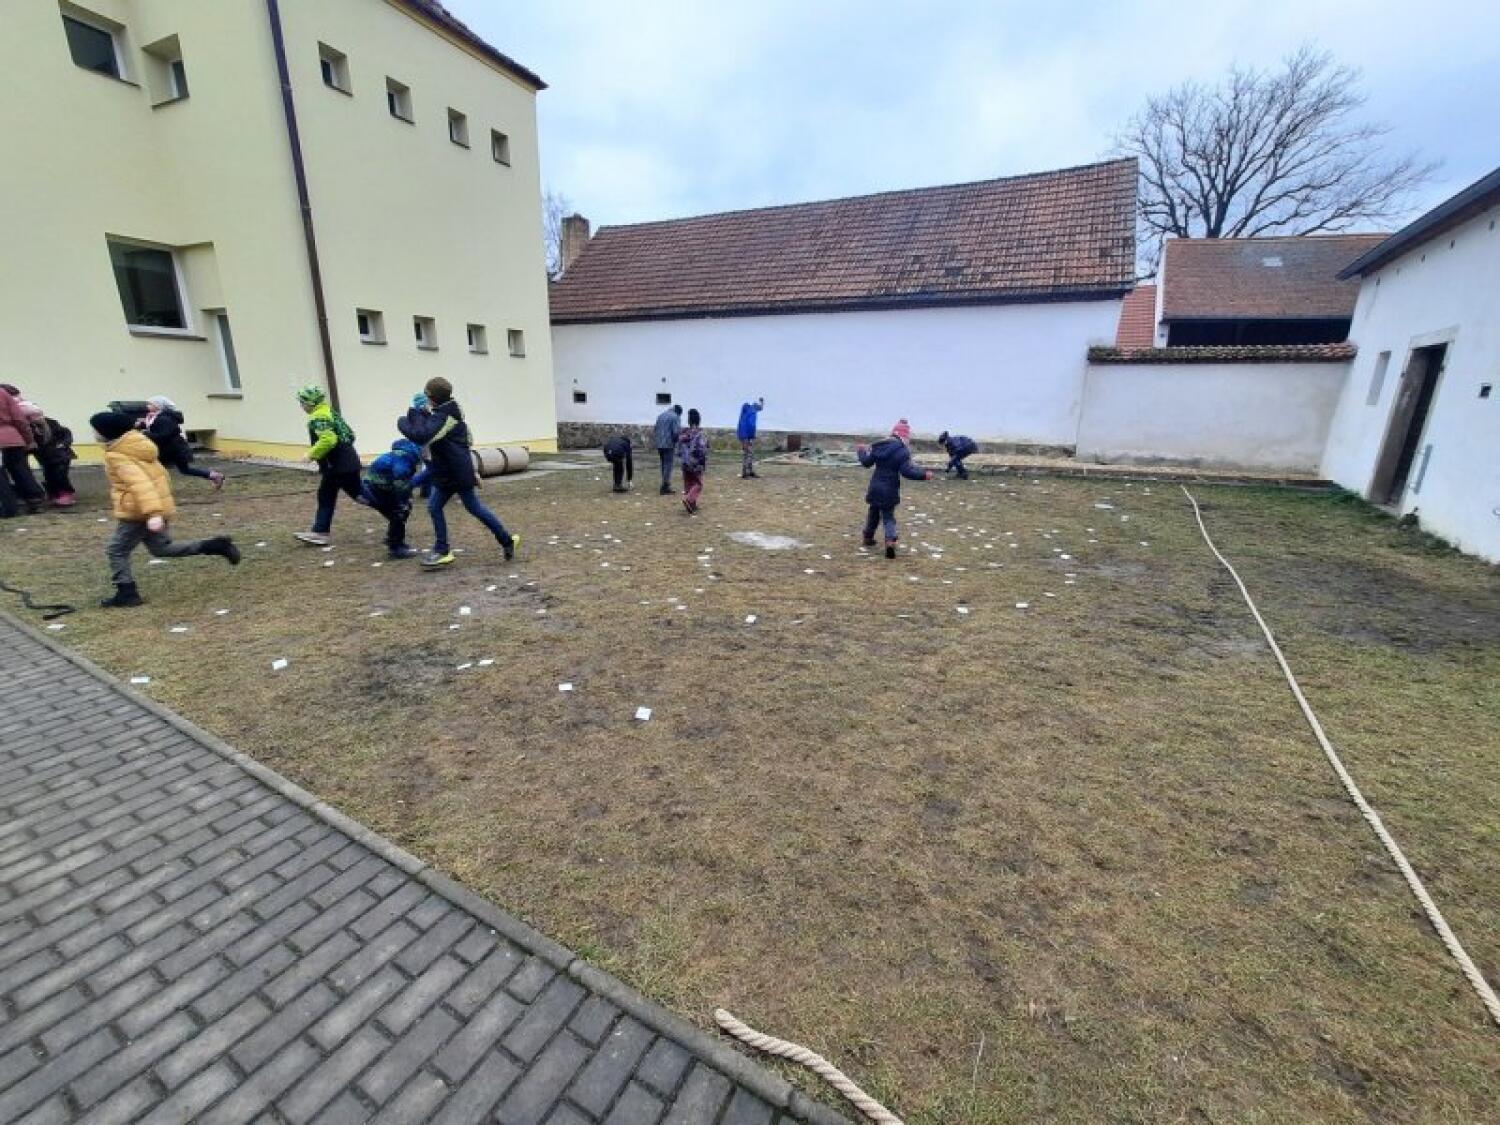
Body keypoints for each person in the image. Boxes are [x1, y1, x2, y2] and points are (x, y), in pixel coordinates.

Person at [89, 411, 239, 608]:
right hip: (154, 508)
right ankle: (215, 545)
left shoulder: (117, 455)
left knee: (116, 550)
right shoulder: (137, 445)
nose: (93, 433)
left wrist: (153, 514)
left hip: (140, 512)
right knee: (161, 549)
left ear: (107, 432)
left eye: (95, 429)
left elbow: (140, 484)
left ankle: (127, 593)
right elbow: (161, 478)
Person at [398, 377, 518, 568]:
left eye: (427, 395)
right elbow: (463, 438)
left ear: (432, 396)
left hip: (453, 473)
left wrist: (403, 421)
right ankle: (504, 541)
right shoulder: (448, 413)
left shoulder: (445, 417)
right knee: (443, 507)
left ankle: (444, 550)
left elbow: (422, 435)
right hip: (451, 471)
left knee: (463, 508)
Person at [294, 385, 362, 547]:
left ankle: (395, 511)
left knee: (361, 495)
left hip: (338, 467)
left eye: (302, 402)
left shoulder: (319, 416)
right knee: (327, 495)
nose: (301, 406)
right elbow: (350, 434)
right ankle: (320, 532)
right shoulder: (328, 411)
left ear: (311, 402)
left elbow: (329, 439)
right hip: (343, 464)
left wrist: (310, 454)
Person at [857, 419, 933, 559]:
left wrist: (861, 451)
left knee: (873, 513)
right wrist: (924, 475)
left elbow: (866, 463)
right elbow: (907, 472)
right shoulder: (902, 451)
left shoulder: (879, 446)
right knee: (888, 516)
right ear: (904, 436)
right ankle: (890, 541)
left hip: (875, 486)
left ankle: (868, 537)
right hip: (889, 488)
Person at [358, 438, 428, 559]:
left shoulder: (402, 454)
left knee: (400, 511)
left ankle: (394, 539)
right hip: (376, 489)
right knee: (399, 511)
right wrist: (426, 474)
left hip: (376, 487)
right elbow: (402, 485)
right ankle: (396, 548)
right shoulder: (404, 459)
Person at [140, 396, 225, 490]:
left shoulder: (164, 419)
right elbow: (155, 426)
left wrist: (146, 434)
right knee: (180, 469)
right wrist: (142, 425)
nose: (147, 406)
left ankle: (214, 475)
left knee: (182, 469)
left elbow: (163, 435)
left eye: (150, 404)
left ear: (158, 406)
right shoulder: (156, 417)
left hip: (174, 449)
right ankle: (214, 475)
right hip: (167, 449)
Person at [0, 383, 45, 517]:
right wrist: (29, 439)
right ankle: (34, 498)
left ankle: (8, 505)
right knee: (20, 469)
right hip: (12, 437)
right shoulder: (3, 393)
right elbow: (19, 418)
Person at [678, 407, 708, 514]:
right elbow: (702, 449)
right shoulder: (700, 433)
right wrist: (703, 461)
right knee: (698, 484)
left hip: (685, 462)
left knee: (688, 484)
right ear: (699, 420)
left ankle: (692, 505)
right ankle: (689, 500)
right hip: (695, 463)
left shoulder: (684, 432)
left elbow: (679, 448)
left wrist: (681, 457)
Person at [652, 403, 682, 494]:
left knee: (663, 464)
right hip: (668, 444)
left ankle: (664, 483)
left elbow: (655, 429)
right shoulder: (675, 417)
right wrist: (677, 443)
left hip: (659, 444)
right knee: (668, 465)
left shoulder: (661, 415)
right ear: (678, 412)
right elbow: (676, 432)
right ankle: (665, 486)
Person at [736, 397, 764, 478]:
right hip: (745, 435)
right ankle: (744, 473)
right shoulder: (746, 411)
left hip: (750, 435)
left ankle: (750, 471)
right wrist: (744, 438)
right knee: (746, 453)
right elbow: (744, 426)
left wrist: (761, 402)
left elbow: (760, 408)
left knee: (750, 453)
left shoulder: (753, 409)